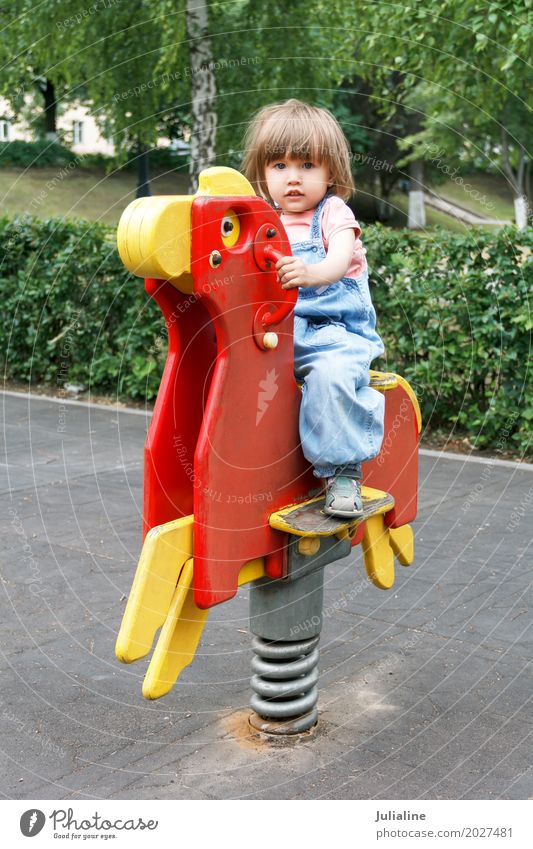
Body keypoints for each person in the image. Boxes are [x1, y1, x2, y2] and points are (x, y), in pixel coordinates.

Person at [242, 99, 384, 518]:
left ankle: (342, 469)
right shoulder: (261, 219)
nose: (293, 178)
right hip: (277, 333)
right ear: (262, 173)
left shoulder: (333, 213)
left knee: (331, 374)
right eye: (279, 166)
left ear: (331, 172)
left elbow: (339, 261)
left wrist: (312, 271)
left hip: (333, 332)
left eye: (307, 165)